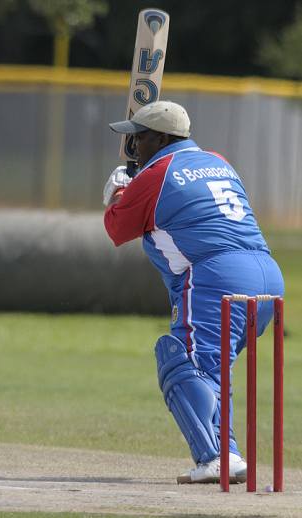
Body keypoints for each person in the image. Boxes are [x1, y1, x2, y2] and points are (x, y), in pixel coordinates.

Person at [103, 100, 284, 484]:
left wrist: (119, 192)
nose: (134, 146)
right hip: (268, 278)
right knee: (213, 371)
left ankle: (214, 458)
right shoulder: (218, 160)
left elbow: (119, 229)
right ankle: (229, 454)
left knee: (180, 360)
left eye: (139, 138)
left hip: (215, 277)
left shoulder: (158, 173)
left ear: (162, 138)